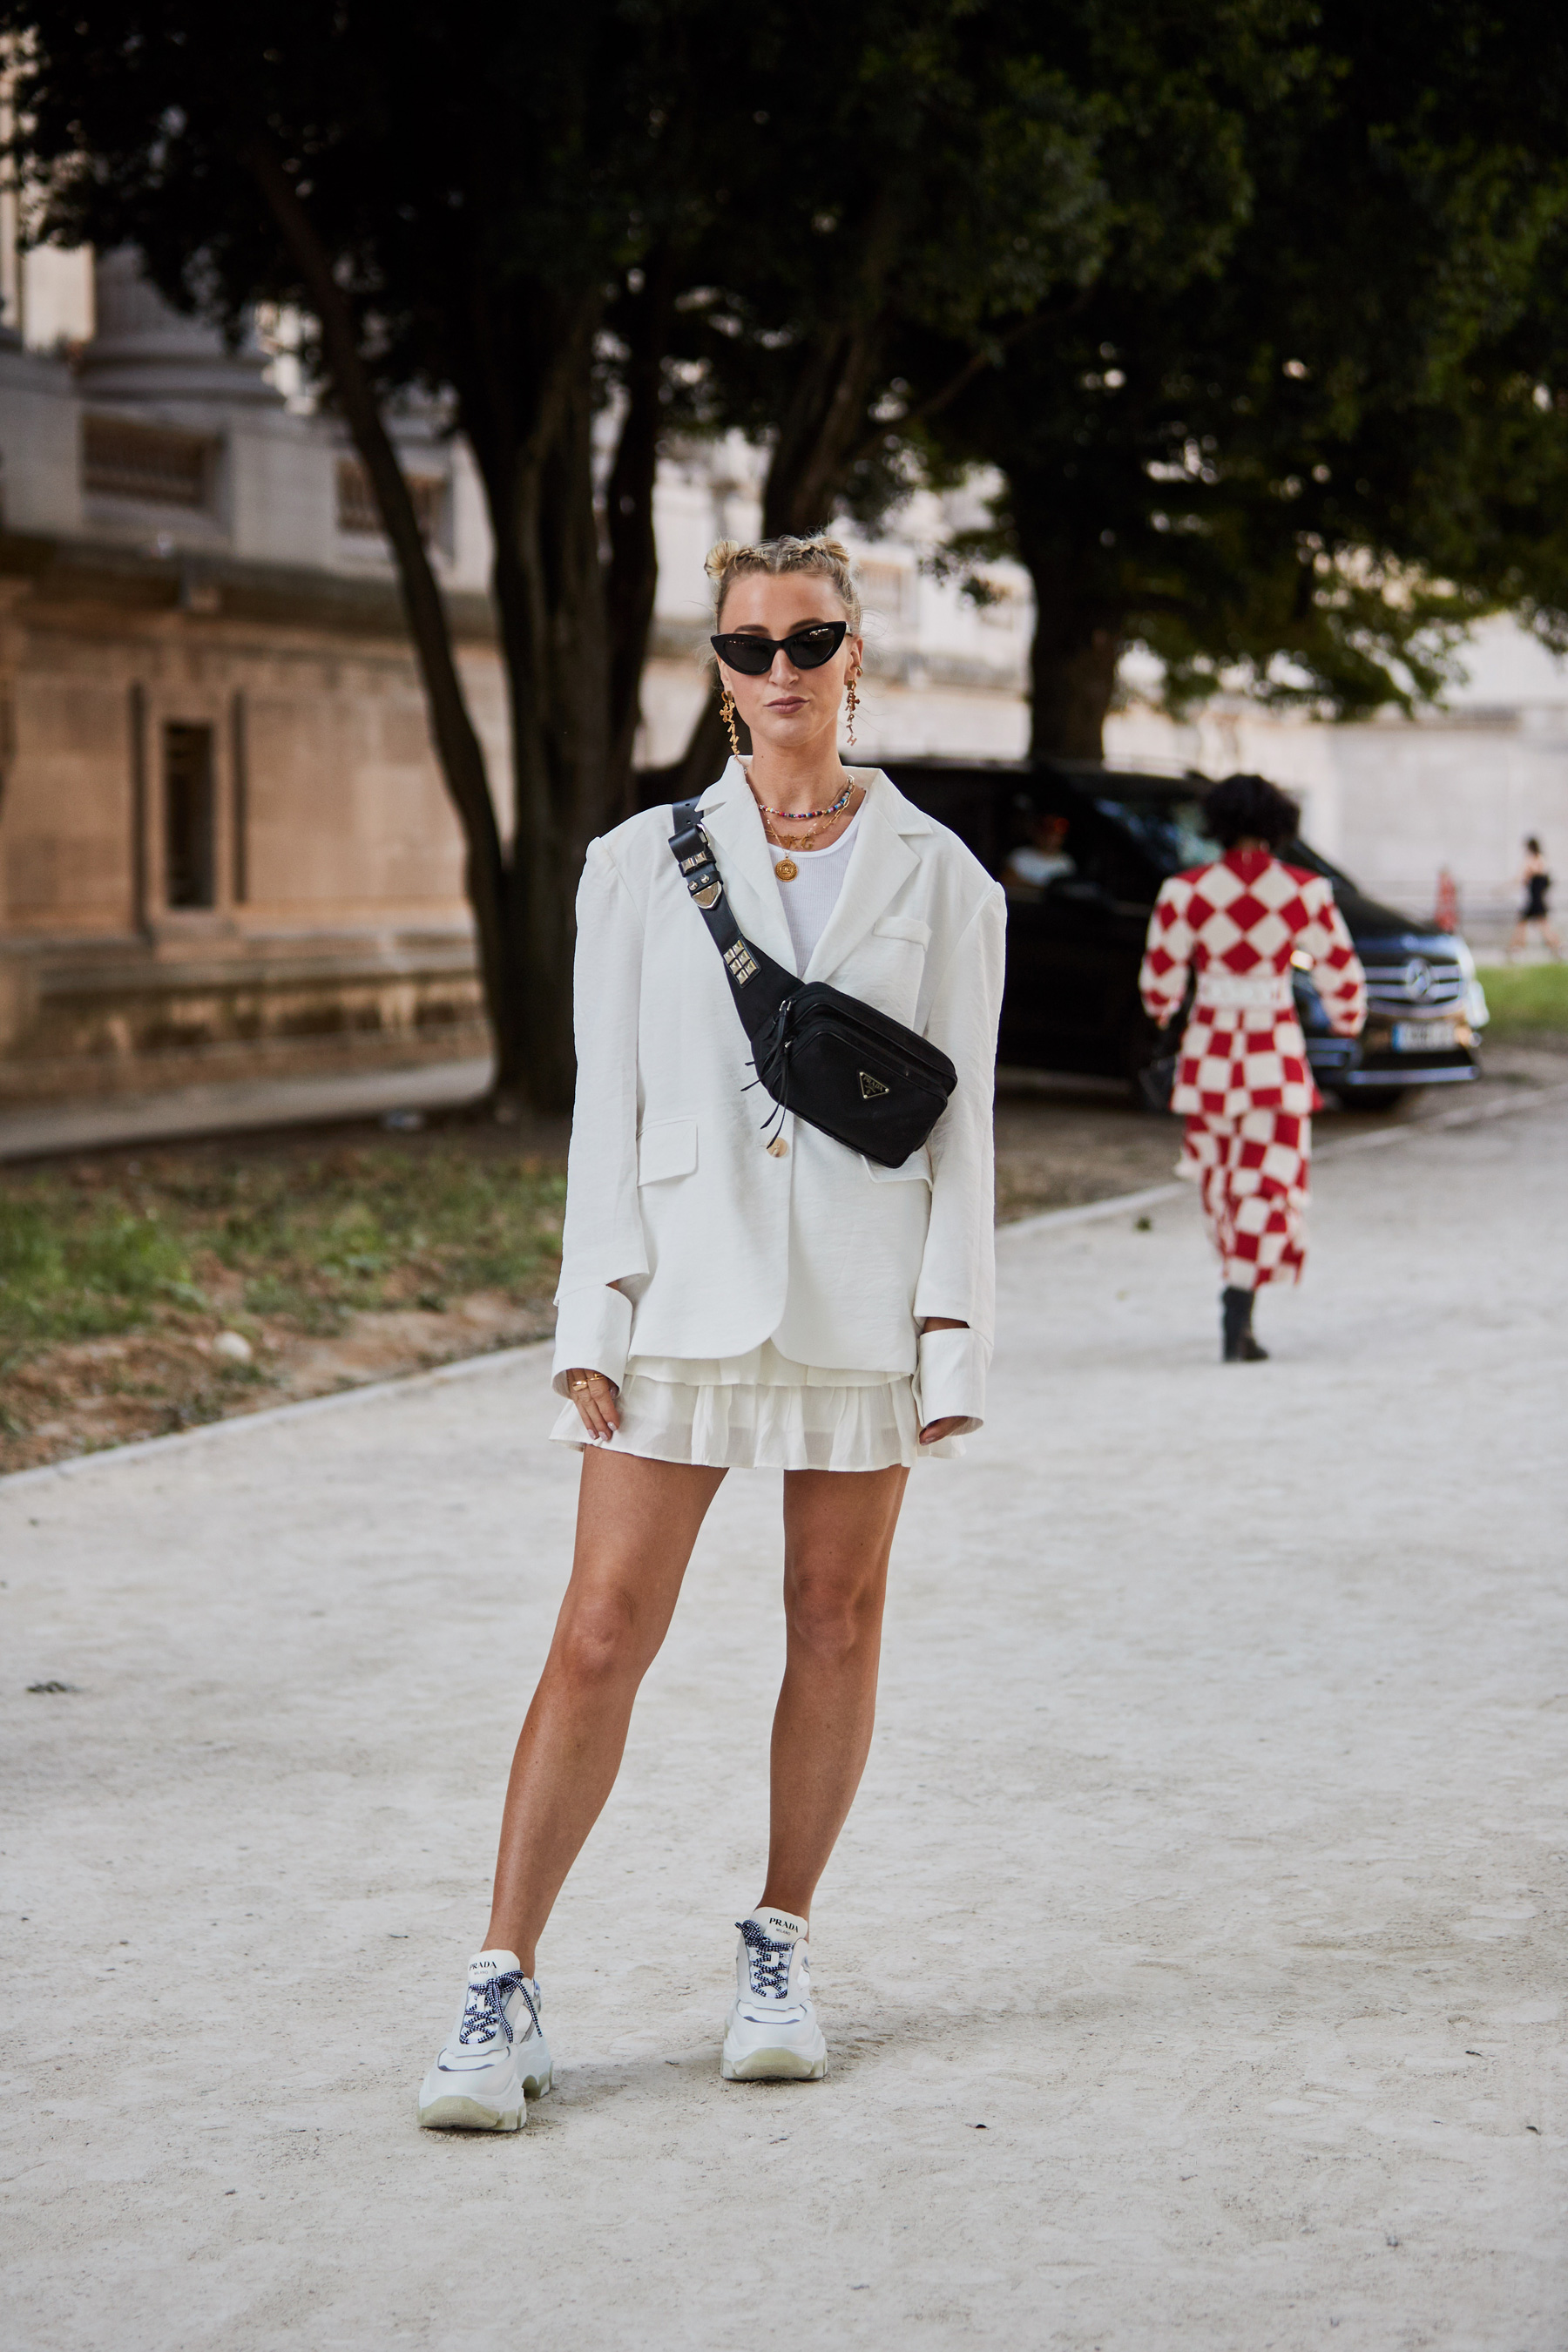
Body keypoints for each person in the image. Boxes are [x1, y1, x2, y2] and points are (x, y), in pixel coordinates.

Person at [416, 532, 1005, 2131]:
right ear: (720, 673)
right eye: (752, 646)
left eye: (812, 638)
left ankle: (779, 1944)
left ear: (857, 655)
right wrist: (585, 1311)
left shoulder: (945, 877)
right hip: (681, 1287)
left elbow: (965, 1130)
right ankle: (501, 1980)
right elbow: (607, 1106)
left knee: (836, 1619)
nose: (784, 669)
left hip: (857, 1299)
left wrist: (952, 1342)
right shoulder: (633, 865)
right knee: (600, 1629)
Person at [1138, 774, 1366, 1363]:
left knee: (1219, 1183)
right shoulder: (1305, 890)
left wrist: (1166, 1009)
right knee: (1271, 1180)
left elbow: (1159, 987)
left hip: (1210, 1055)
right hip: (1274, 1057)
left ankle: (1235, 1297)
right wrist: (1348, 1018)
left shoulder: (1184, 892)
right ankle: (1243, 1299)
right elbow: (1340, 970)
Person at [1507, 838, 1562, 960]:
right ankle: (1515, 949)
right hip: (1537, 900)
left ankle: (1516, 950)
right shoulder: (1542, 860)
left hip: (1534, 901)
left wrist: (1507, 887)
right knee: (1526, 925)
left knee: (1541, 928)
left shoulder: (1531, 861)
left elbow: (1521, 878)